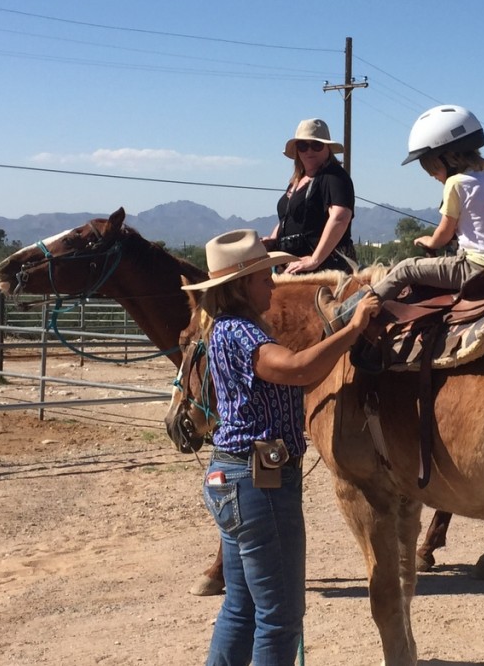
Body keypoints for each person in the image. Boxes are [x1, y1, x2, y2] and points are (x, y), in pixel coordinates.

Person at [182, 229, 379, 666]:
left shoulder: (227, 328)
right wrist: (355, 328)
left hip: (233, 475)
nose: (272, 283)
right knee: (281, 616)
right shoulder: (242, 333)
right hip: (260, 483)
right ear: (239, 285)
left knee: (242, 606)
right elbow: (294, 369)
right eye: (262, 276)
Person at [317, 104, 484, 332]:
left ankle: (344, 314)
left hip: (474, 268)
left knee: (406, 269)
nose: (433, 176)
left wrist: (429, 241)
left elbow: (443, 234)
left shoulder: (455, 183)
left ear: (449, 157)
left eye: (432, 169)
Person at [267, 118, 357, 274]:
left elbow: (340, 217)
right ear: (297, 150)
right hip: (295, 267)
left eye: (316, 145)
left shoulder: (334, 176)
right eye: (303, 146)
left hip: (326, 271)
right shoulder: (297, 181)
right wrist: (273, 240)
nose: (309, 151)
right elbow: (288, 218)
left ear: (327, 148)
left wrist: (315, 260)